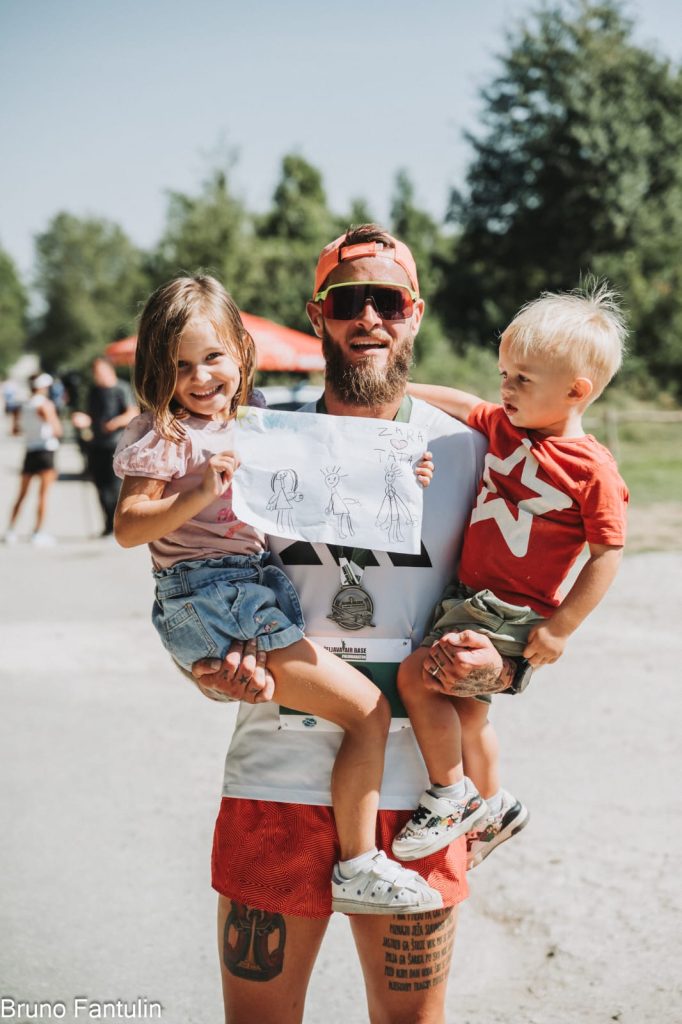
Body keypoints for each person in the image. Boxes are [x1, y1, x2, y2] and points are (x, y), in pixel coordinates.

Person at [191, 226, 513, 1024]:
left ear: (414, 314)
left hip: (418, 796)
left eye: (388, 301)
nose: (368, 316)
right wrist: (207, 670)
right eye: (347, 300)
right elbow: (203, 586)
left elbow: (515, 610)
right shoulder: (259, 443)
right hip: (275, 777)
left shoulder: (471, 452)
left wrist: (499, 667)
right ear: (318, 316)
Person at [113, 274, 441, 917]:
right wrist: (198, 493)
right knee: (369, 711)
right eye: (180, 366)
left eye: (213, 357)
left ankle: (355, 858)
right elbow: (128, 528)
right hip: (210, 594)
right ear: (157, 369)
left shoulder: (254, 418)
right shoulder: (163, 435)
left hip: (251, 587)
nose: (200, 378)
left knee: (336, 704)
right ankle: (358, 865)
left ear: (241, 350)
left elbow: (327, 470)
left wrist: (397, 464)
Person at [393, 284, 629, 870]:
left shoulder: (593, 471)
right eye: (504, 374)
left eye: (523, 379)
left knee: (419, 678)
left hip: (511, 611)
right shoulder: (504, 426)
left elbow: (607, 554)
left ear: (576, 391)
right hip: (468, 596)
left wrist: (561, 628)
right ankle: (496, 805)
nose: (506, 388)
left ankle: (451, 795)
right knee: (469, 713)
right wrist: (398, 390)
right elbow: (462, 401)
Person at [71, 356, 138, 536]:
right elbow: (91, 415)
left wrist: (115, 422)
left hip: (117, 444)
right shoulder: (94, 391)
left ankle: (120, 523)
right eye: (95, 372)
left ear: (109, 370)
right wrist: (83, 419)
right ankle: (108, 524)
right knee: (100, 486)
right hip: (96, 443)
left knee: (115, 487)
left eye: (99, 371)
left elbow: (132, 413)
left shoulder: (121, 388)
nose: (97, 375)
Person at [5, 372, 62, 546]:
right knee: (43, 495)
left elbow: (15, 431)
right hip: (46, 450)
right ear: (43, 387)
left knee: (22, 494)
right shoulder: (45, 405)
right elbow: (57, 430)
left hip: (30, 450)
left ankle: (10, 530)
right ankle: (37, 532)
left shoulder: (22, 406)